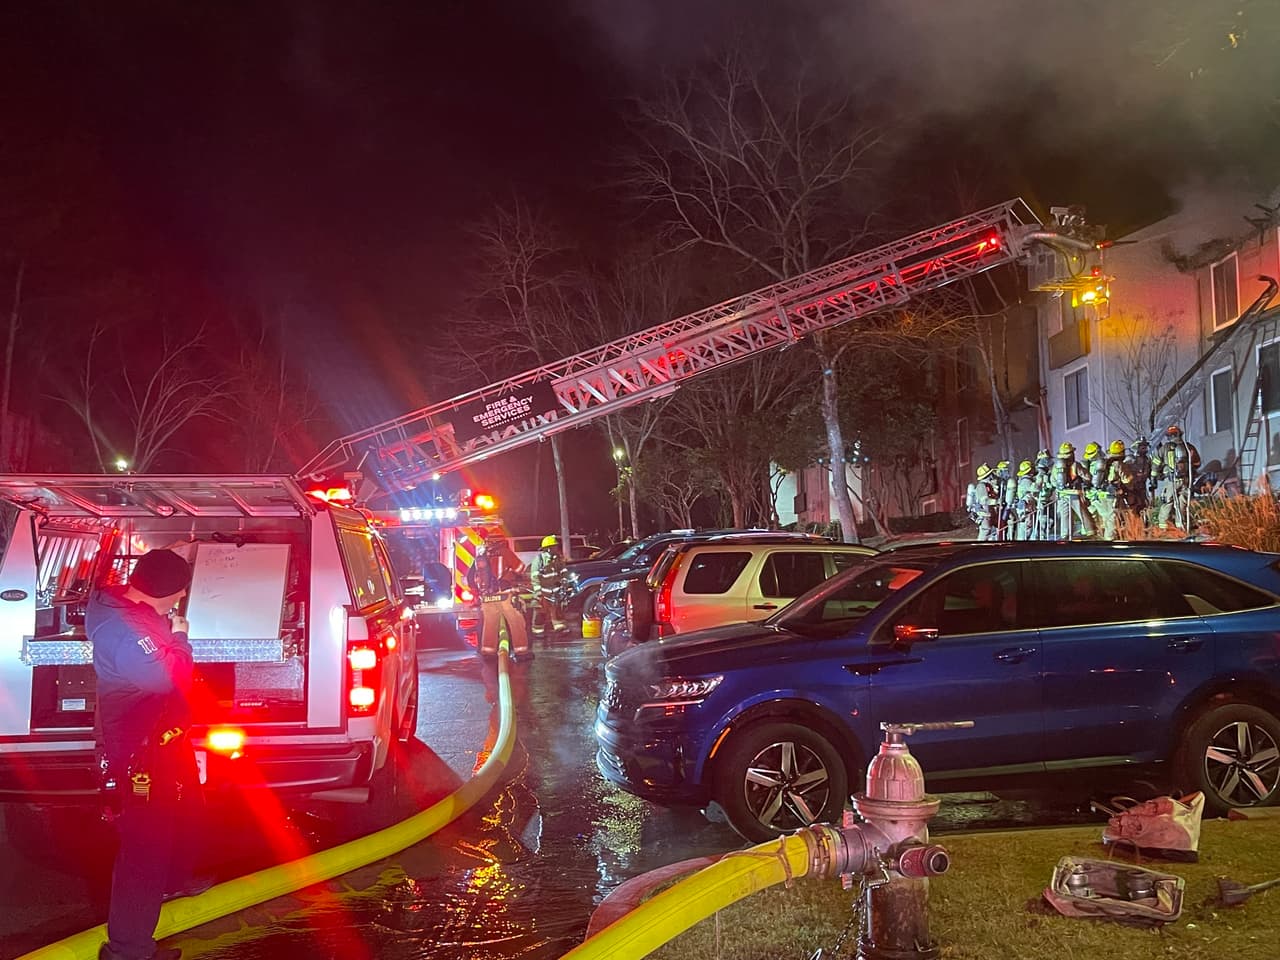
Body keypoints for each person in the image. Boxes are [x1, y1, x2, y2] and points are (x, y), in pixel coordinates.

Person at [90, 548, 204, 960]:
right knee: (144, 847)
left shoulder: (124, 605)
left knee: (188, 807)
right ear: (168, 592)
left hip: (161, 737)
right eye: (180, 591)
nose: (181, 597)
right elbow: (168, 678)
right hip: (141, 750)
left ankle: (173, 881)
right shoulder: (126, 631)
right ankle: (128, 949)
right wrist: (180, 638)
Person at [467, 548, 530, 658]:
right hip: (504, 595)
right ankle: (521, 652)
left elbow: (470, 577)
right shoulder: (505, 551)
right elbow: (520, 568)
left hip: (487, 597)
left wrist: (479, 592)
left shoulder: (482, 554)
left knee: (489, 625)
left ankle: (488, 652)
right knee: (516, 622)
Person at [1051, 441, 1094, 538]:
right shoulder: (1075, 465)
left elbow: (1053, 481)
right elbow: (1088, 477)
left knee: (1065, 516)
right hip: (1074, 494)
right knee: (1083, 514)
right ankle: (1091, 532)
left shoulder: (1055, 466)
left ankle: (1065, 535)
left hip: (1062, 495)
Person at [529, 535, 568, 637]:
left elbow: (563, 571)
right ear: (549, 548)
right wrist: (538, 591)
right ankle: (538, 631)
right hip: (543, 591)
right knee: (540, 611)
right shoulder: (539, 560)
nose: (557, 548)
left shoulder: (558, 559)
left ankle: (560, 628)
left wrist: (564, 583)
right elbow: (534, 576)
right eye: (555, 547)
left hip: (555, 591)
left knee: (557, 610)